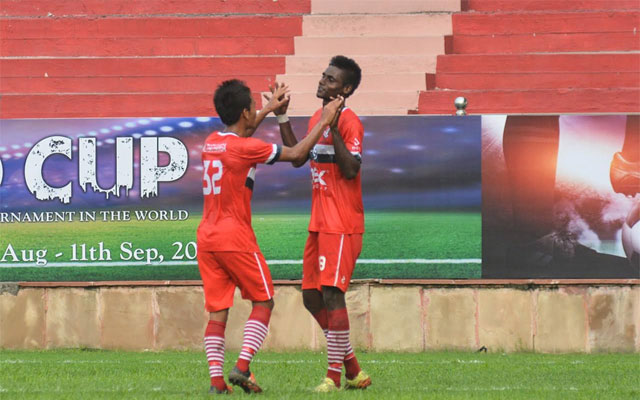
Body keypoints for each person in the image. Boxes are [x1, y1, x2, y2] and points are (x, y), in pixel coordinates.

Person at [197, 79, 344, 394]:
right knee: (263, 301)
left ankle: (216, 382)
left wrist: (268, 109)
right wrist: (325, 120)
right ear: (244, 112)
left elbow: (243, 131)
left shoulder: (211, 142)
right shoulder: (246, 147)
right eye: (252, 107)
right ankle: (242, 366)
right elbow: (297, 154)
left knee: (218, 310)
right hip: (234, 237)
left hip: (207, 238)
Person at [272, 55, 372, 392]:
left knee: (331, 294)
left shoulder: (350, 122)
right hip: (319, 221)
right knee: (311, 297)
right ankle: (353, 369)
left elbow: (351, 169)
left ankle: (333, 377)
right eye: (323, 76)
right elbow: (297, 156)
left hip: (341, 222)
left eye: (331, 79)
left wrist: (334, 126)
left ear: (346, 89)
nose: (322, 82)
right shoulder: (318, 116)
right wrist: (282, 116)